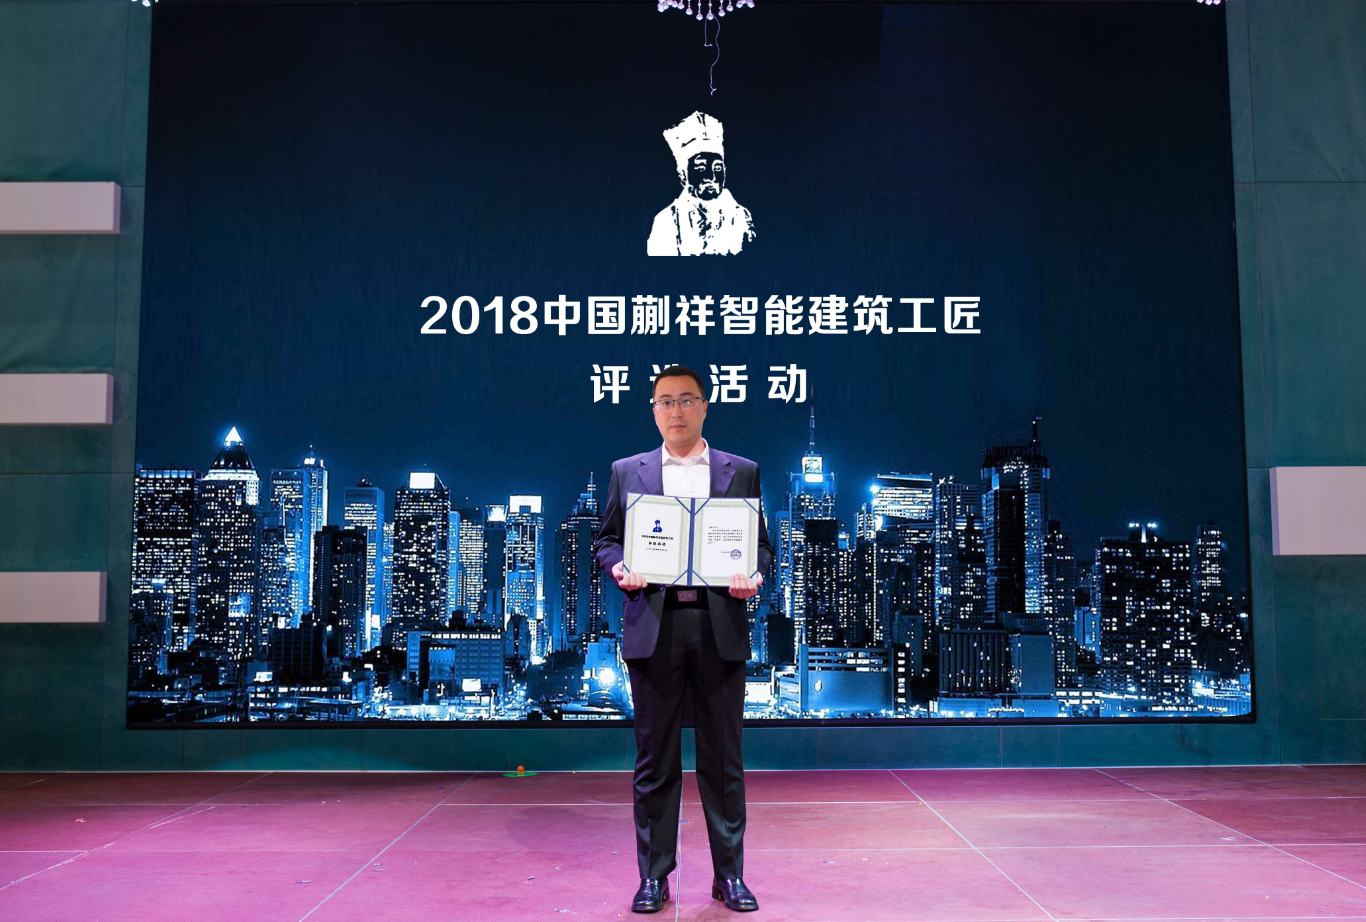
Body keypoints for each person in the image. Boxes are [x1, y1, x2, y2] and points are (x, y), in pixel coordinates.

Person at [592, 364, 772, 913]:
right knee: (655, 761)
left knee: (724, 760)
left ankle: (729, 876)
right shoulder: (628, 471)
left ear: (705, 406)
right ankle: (654, 877)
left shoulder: (742, 471)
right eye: (665, 401)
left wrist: (754, 574)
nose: (676, 410)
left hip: (719, 624)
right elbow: (606, 541)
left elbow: (762, 547)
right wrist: (619, 567)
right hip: (656, 623)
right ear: (653, 410)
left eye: (686, 400)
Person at [647, 111, 756, 256]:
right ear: (683, 175)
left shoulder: (741, 217)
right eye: (701, 168)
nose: (711, 177)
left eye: (717, 168)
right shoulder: (666, 221)